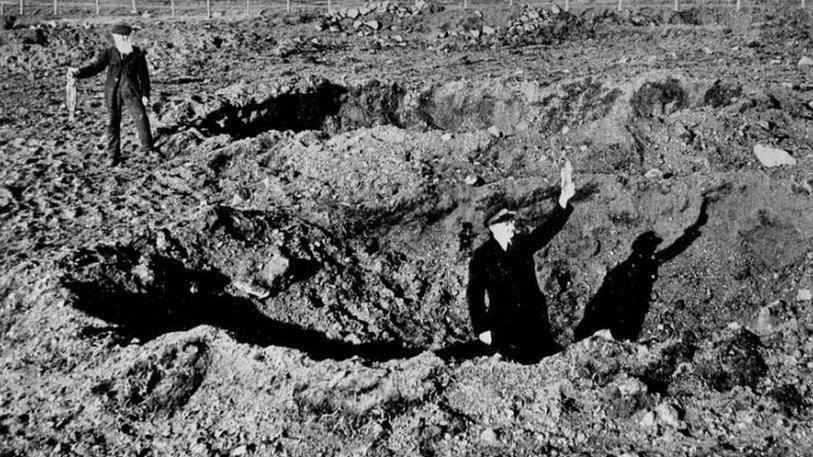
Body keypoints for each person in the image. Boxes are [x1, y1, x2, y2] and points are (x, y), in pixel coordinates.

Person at [466, 161, 576, 363]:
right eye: (508, 222)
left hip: (535, 323)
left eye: (512, 221)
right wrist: (482, 329)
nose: (513, 225)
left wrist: (563, 201)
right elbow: (474, 295)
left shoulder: (521, 244)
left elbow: (546, 231)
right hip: (506, 328)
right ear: (493, 228)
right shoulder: (482, 257)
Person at [68, 23, 158, 166]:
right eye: (118, 38)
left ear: (127, 38)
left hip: (132, 91)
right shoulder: (109, 52)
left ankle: (148, 148)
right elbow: (95, 67)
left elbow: (144, 76)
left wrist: (145, 95)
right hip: (112, 92)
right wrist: (80, 73)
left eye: (125, 37)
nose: (121, 40)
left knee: (141, 118)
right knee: (112, 124)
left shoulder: (137, 53)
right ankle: (113, 156)